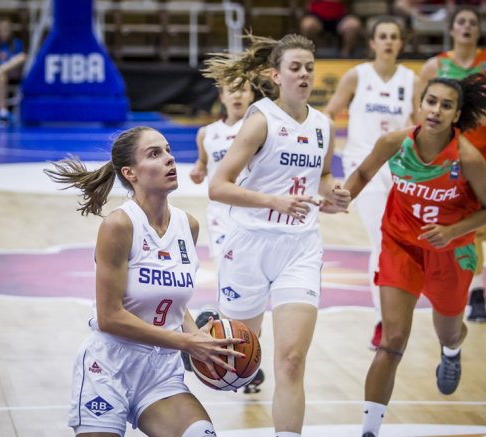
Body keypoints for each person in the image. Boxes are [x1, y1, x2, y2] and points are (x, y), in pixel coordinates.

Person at [44, 126, 243, 437]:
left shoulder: (186, 225)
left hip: (161, 370)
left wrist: (205, 343)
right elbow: (109, 318)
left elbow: (174, 304)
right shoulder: (119, 225)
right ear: (130, 173)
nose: (170, 159)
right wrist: (185, 342)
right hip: (109, 365)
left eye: (167, 150)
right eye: (155, 154)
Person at [202, 34, 351, 437]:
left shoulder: (324, 125)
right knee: (235, 363)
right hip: (249, 243)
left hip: (300, 247)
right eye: (295, 68)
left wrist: (333, 196)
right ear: (276, 74)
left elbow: (321, 178)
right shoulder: (260, 120)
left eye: (309, 68)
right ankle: (202, 332)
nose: (304, 75)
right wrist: (274, 200)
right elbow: (218, 186)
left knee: (290, 360)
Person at [343, 73, 486, 437]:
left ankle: (451, 351)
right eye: (431, 101)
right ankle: (368, 431)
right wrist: (343, 196)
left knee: (448, 332)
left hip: (450, 253)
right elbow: (364, 172)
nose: (436, 110)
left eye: (446, 105)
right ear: (420, 104)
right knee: (393, 340)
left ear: (457, 114)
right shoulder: (395, 142)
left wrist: (452, 231)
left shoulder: (468, 158)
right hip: (401, 247)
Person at [324, 16, 419, 350]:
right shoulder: (356, 76)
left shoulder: (412, 80)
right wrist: (320, 156)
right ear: (373, 43)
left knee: (403, 244)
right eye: (383, 36)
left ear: (401, 43)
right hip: (363, 165)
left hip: (401, 168)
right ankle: (384, 321)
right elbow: (329, 114)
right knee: (383, 240)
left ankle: (394, 313)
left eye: (394, 36)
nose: (389, 41)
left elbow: (421, 127)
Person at [419, 6, 486, 322]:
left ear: (478, 30)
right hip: (452, 159)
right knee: (470, 232)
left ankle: (465, 283)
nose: (467, 27)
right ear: (451, 29)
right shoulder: (436, 65)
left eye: (472, 23)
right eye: (461, 22)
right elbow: (417, 112)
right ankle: (475, 293)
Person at [189, 80, 255, 264]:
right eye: (231, 90)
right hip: (220, 212)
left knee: (250, 269)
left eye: (243, 90)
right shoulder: (206, 133)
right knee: (224, 266)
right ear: (222, 97)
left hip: (252, 209)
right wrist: (198, 171)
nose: (237, 95)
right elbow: (203, 162)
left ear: (251, 96)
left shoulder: (260, 129)